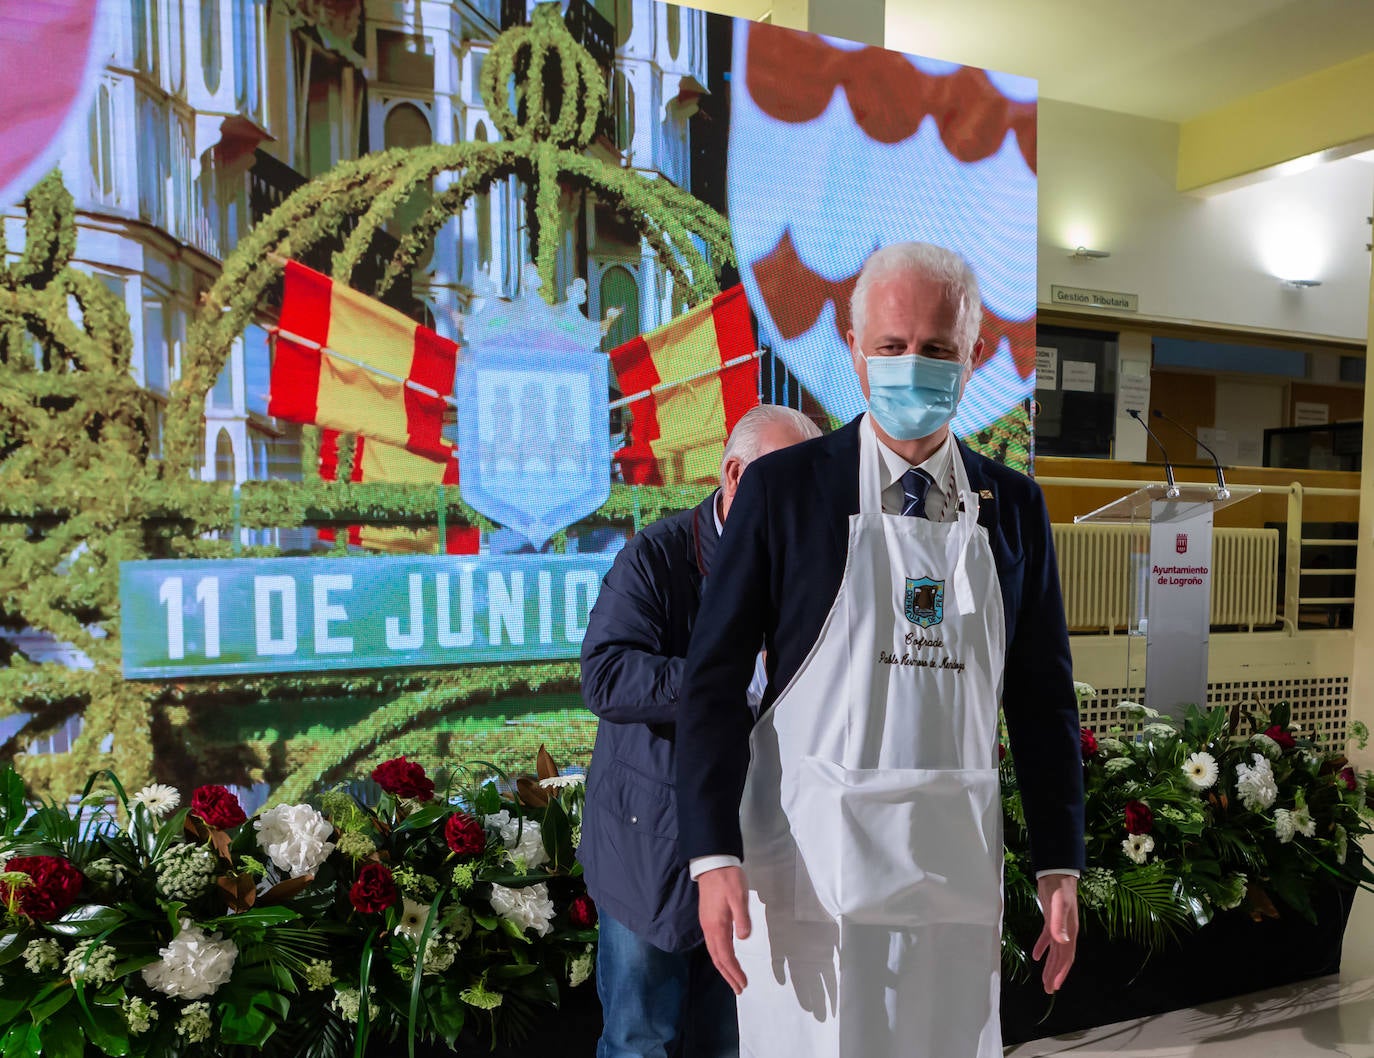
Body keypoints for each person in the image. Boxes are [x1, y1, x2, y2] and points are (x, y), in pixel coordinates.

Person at [675, 243, 1085, 1058]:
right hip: (809, 877)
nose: (913, 366)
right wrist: (711, 852)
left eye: (936, 348)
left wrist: (1058, 861)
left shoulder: (1014, 510)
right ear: (855, 351)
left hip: (951, 876)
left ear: (973, 356)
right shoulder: (782, 492)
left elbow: (1042, 701)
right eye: (892, 346)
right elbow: (713, 683)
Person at [579, 405, 822, 1058]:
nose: (801, 510)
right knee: (641, 1040)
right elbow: (605, 676)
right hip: (650, 846)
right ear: (735, 475)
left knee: (730, 1039)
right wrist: (727, 677)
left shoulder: (805, 567)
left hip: (753, 843)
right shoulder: (654, 559)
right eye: (787, 489)